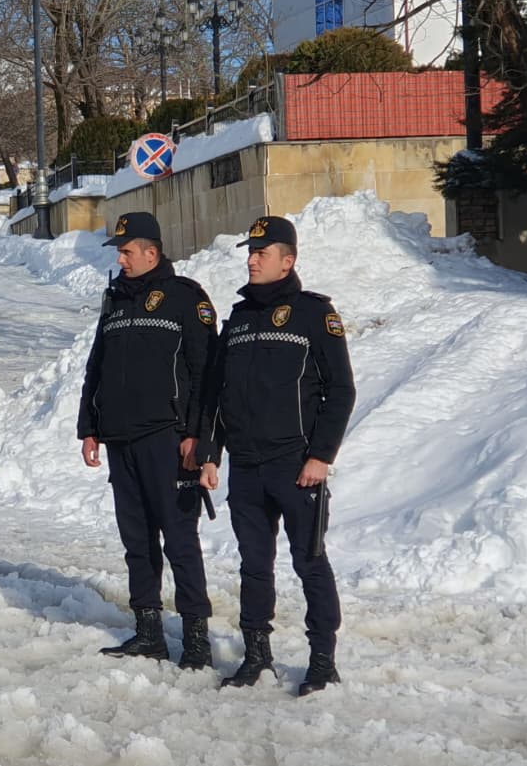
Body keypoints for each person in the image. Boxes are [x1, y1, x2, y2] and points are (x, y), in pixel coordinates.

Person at [196, 215, 356, 696]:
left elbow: (341, 390)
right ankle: (256, 654)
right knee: (253, 564)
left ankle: (323, 659)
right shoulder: (239, 319)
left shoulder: (314, 315)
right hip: (246, 465)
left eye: (262, 253)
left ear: (287, 260)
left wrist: (321, 456)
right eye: (251, 251)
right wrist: (211, 454)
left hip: (296, 466)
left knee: (310, 561)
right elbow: (217, 394)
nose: (251, 259)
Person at [77, 211, 219, 671]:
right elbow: (96, 366)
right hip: (120, 440)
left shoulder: (185, 299)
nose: (120, 259)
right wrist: (89, 426)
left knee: (180, 542)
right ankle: (149, 632)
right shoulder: (115, 299)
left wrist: (198, 436)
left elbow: (206, 376)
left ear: (151, 252)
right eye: (119, 252)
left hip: (167, 441)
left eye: (126, 250)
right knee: (136, 541)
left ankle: (196, 638)